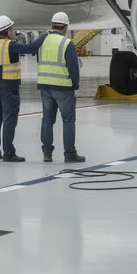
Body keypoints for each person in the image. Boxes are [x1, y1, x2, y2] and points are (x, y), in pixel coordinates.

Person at [0, 15, 47, 162]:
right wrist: (45, 35)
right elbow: (31, 47)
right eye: (12, 29)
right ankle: (9, 153)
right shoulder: (10, 45)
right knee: (9, 120)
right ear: (6, 31)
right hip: (9, 88)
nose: (14, 32)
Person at [38, 12, 84, 163]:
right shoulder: (66, 43)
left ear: (52, 25)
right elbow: (73, 68)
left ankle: (47, 154)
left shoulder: (42, 41)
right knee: (68, 120)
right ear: (65, 27)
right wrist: (75, 84)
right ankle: (70, 154)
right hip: (63, 87)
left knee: (47, 120)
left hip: (45, 86)